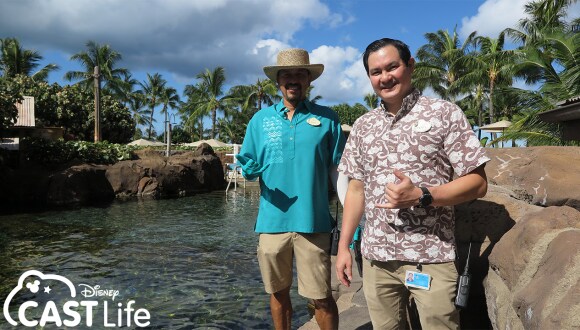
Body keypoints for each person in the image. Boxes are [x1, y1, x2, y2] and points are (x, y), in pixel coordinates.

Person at [335, 38, 490, 329]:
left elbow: (478, 183)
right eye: (376, 71)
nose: (385, 77)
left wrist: (423, 195)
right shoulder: (362, 125)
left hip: (430, 256)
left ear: (410, 66)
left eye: (392, 67)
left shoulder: (444, 114)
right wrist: (344, 247)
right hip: (376, 259)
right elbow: (356, 189)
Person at [236, 48, 345, 330]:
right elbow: (247, 164)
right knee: (278, 292)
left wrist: (352, 225)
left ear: (309, 80)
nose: (293, 79)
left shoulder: (328, 118)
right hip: (271, 223)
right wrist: (249, 171)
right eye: (287, 74)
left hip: (315, 222)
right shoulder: (259, 121)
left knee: (322, 297)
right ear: (278, 81)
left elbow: (340, 173)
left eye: (300, 74)